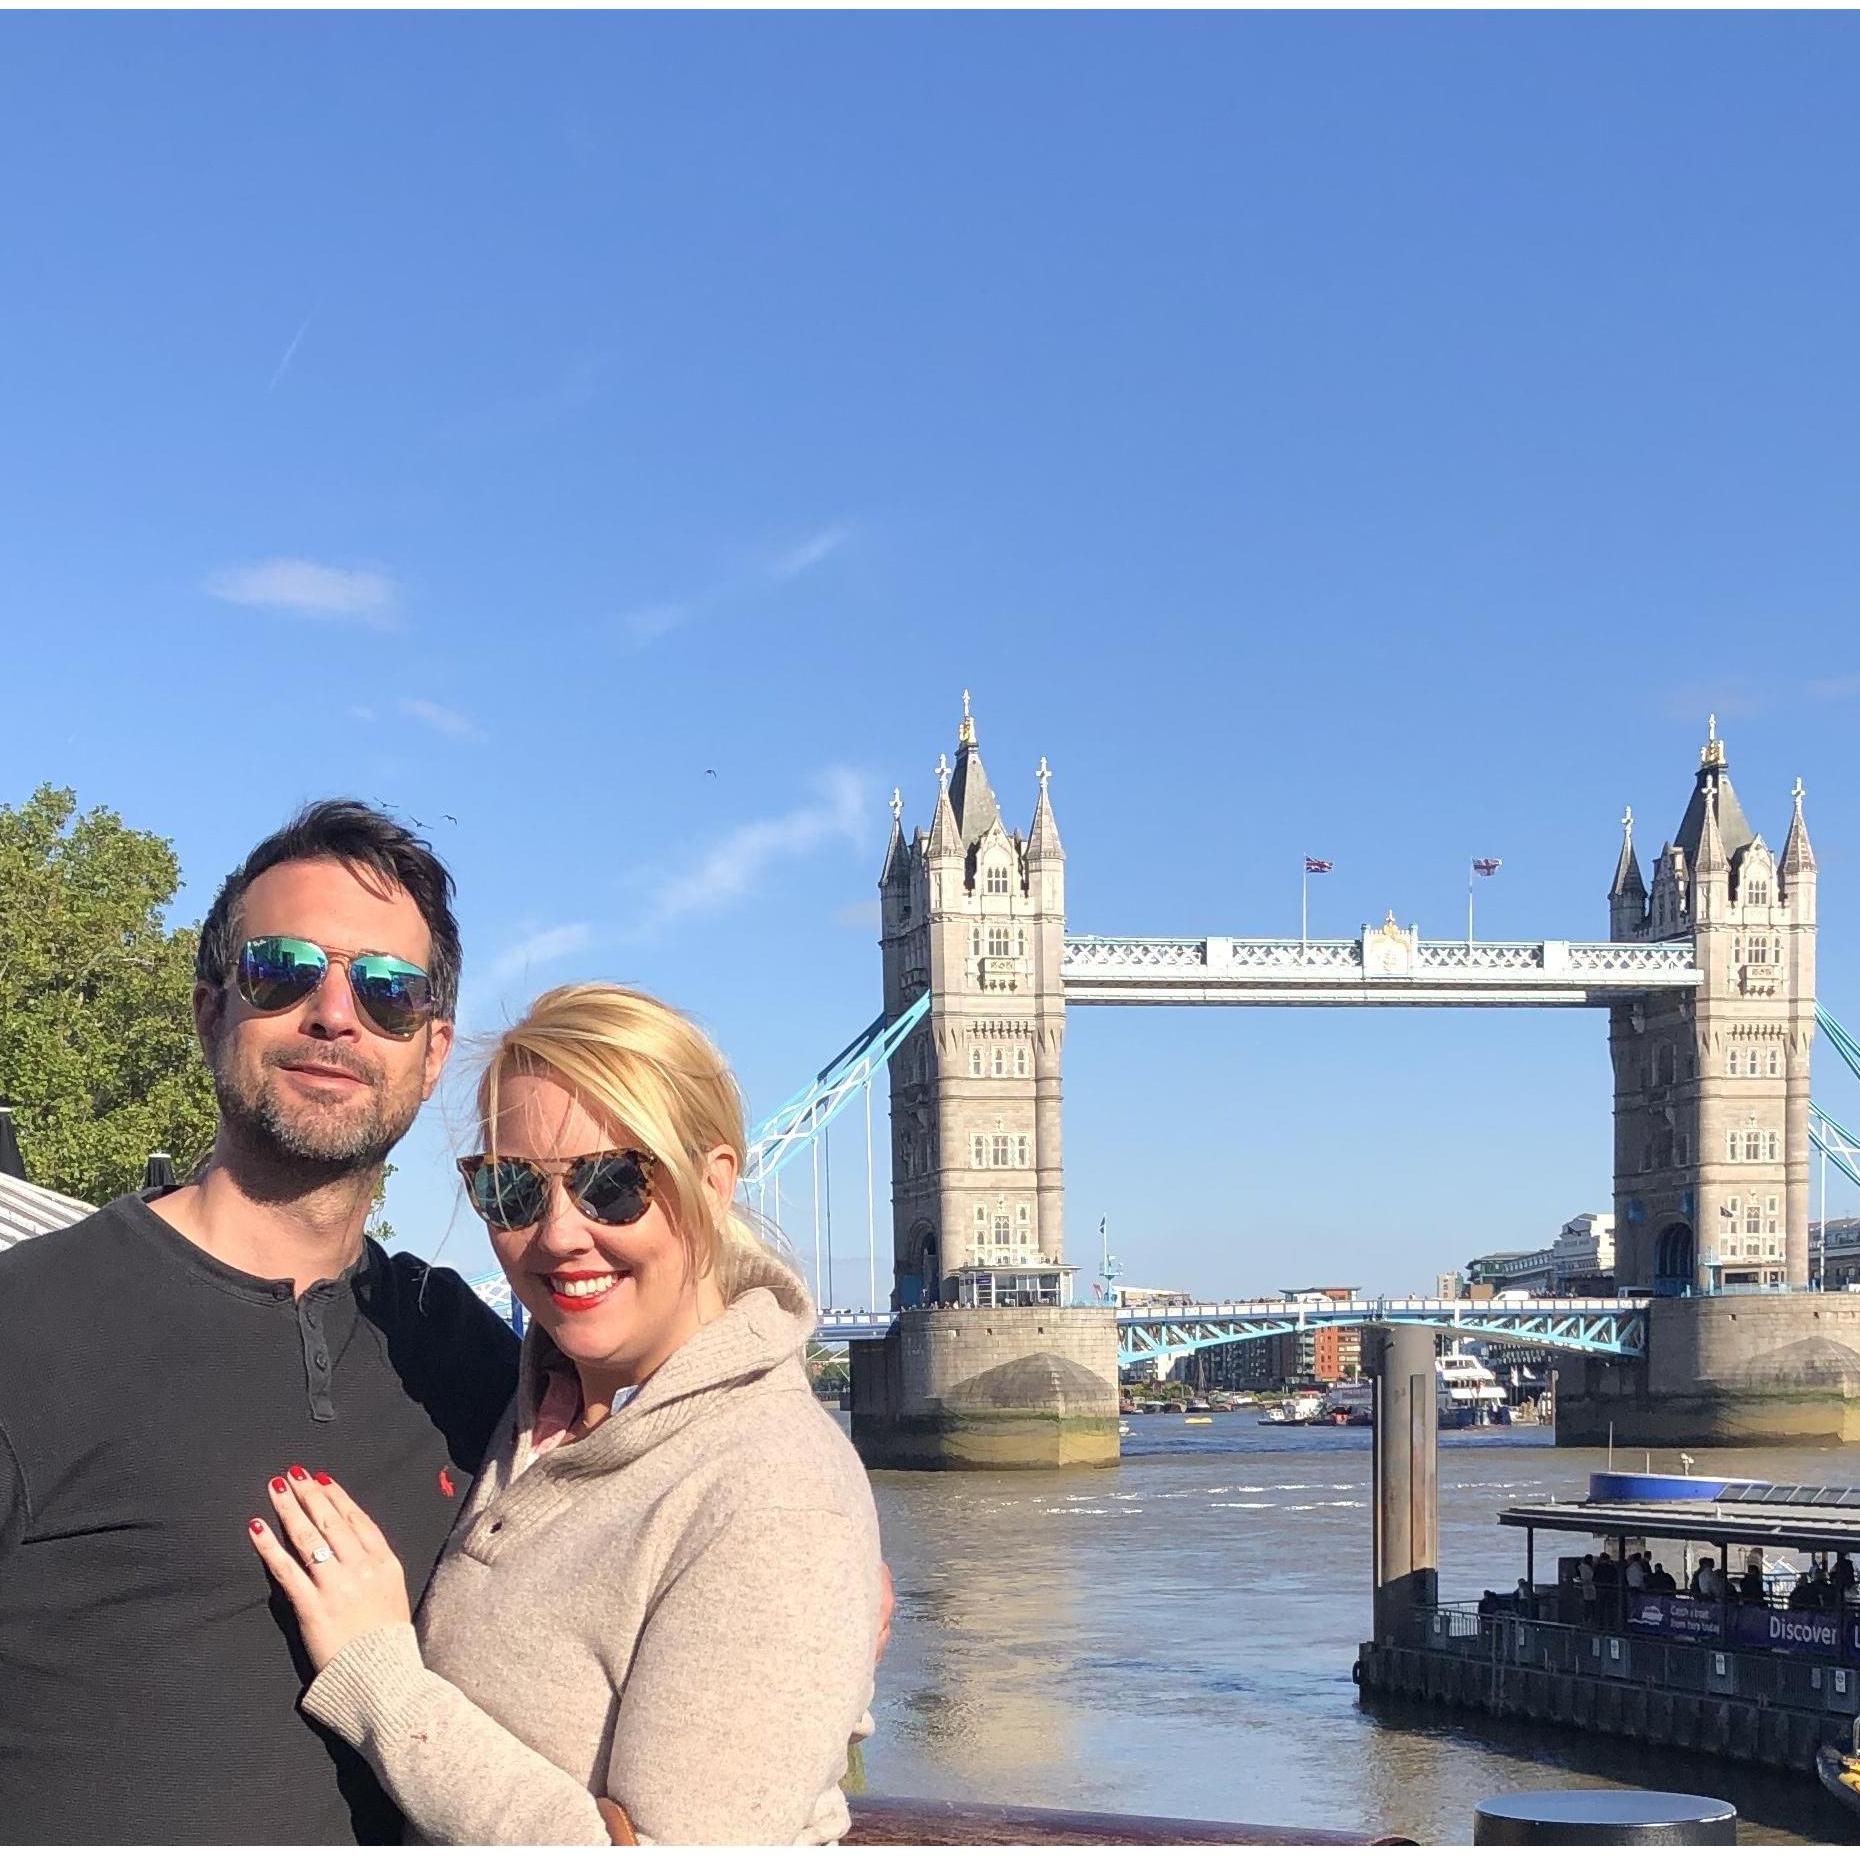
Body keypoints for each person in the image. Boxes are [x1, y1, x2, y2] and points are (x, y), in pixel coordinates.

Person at [249, 983, 883, 1843]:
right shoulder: (517, 1403)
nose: (558, 1235)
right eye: (510, 1190)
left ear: (715, 1180)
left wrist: (380, 1679)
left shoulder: (773, 1492)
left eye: (613, 1184)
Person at [0, 802, 520, 1842]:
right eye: (283, 970)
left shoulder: (468, 1352)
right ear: (209, 1011)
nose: (336, 1015)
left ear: (430, 1050)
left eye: (388, 991)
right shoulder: (27, 1325)